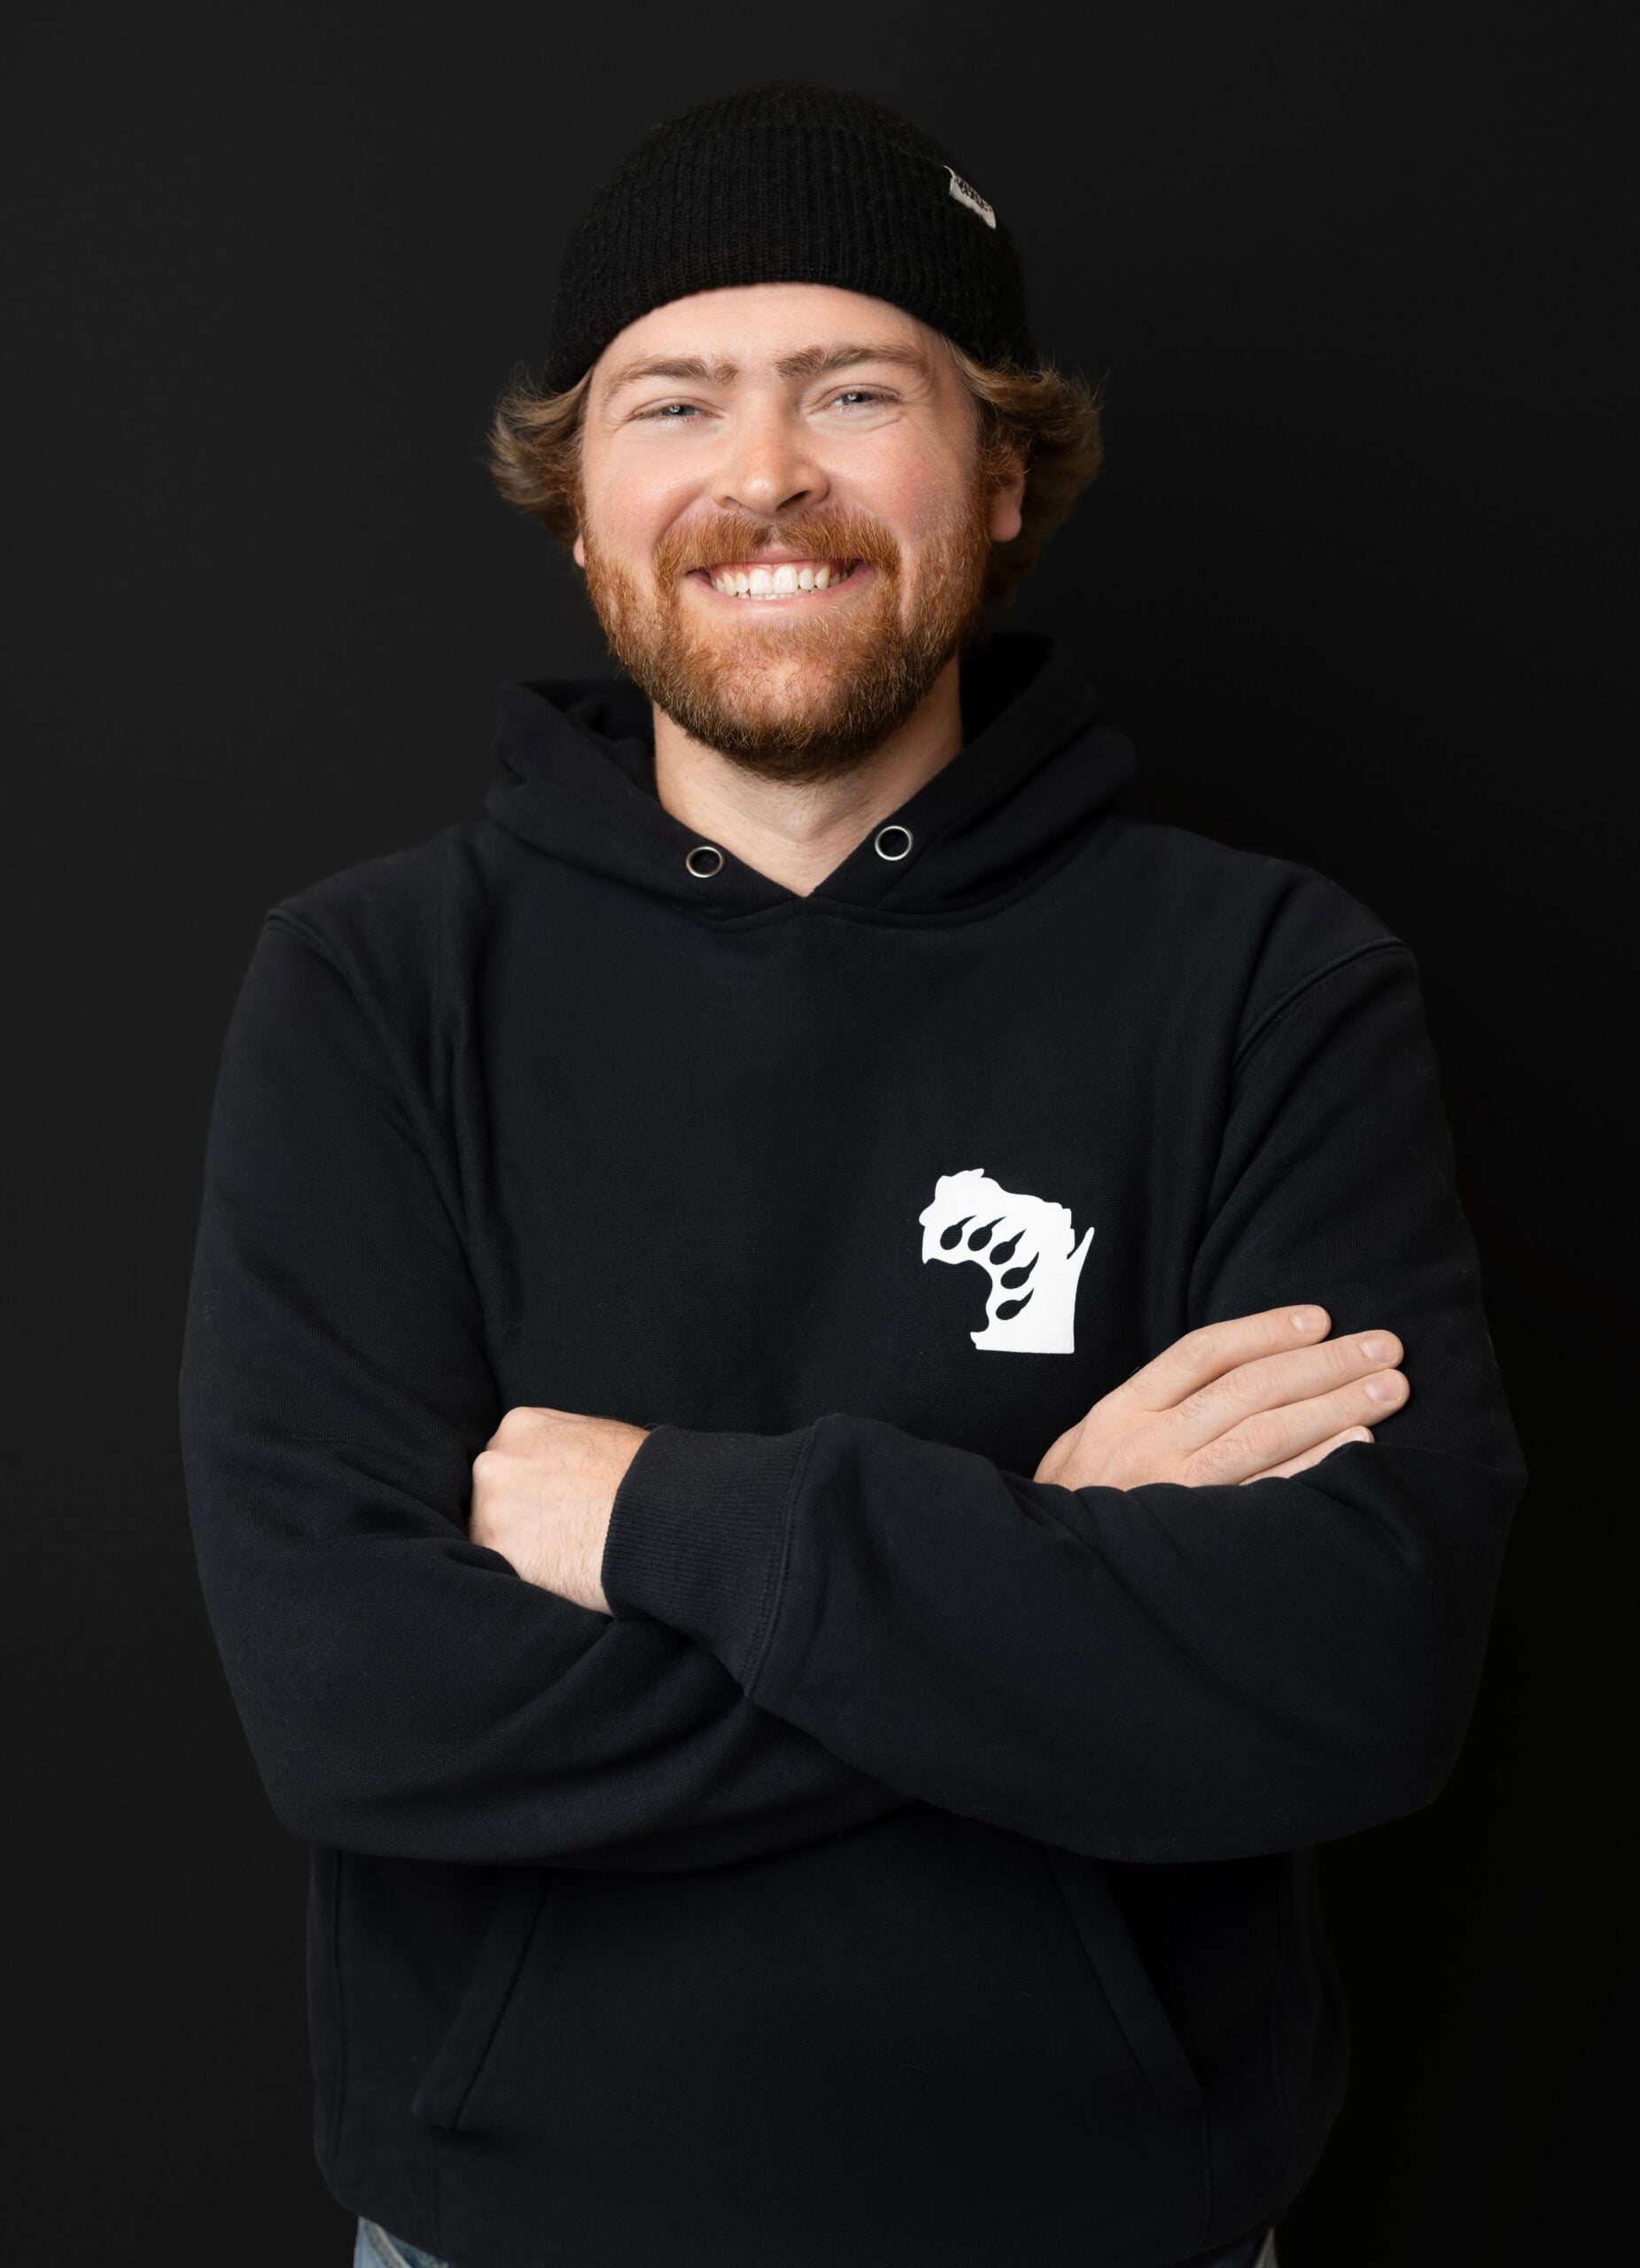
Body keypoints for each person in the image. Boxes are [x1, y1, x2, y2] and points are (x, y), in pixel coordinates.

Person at [178, 78, 1527, 2268]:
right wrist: (1055, 1560)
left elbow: (1355, 1667)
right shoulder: (370, 987)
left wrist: (675, 1522)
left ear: (997, 476)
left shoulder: (1266, 979)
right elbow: (358, 1708)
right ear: (579, 505)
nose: (764, 471)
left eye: (855, 386)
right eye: (675, 398)